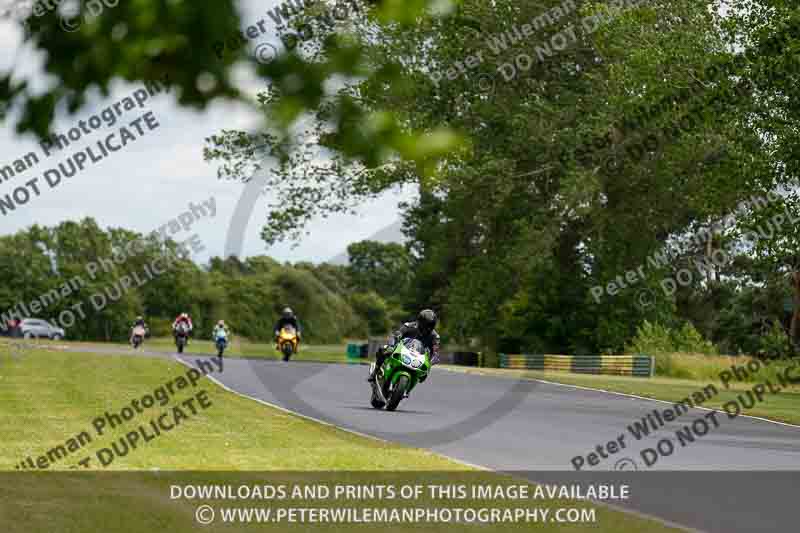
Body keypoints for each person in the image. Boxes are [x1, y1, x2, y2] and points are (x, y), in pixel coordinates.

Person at [368, 309, 441, 383]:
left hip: (418, 357)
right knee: (383, 349)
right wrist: (392, 345)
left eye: (430, 325)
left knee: (423, 376)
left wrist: (430, 362)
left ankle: (407, 388)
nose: (427, 328)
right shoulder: (409, 326)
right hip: (402, 349)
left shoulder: (435, 337)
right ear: (420, 321)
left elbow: (436, 353)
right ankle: (375, 372)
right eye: (426, 324)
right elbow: (396, 335)